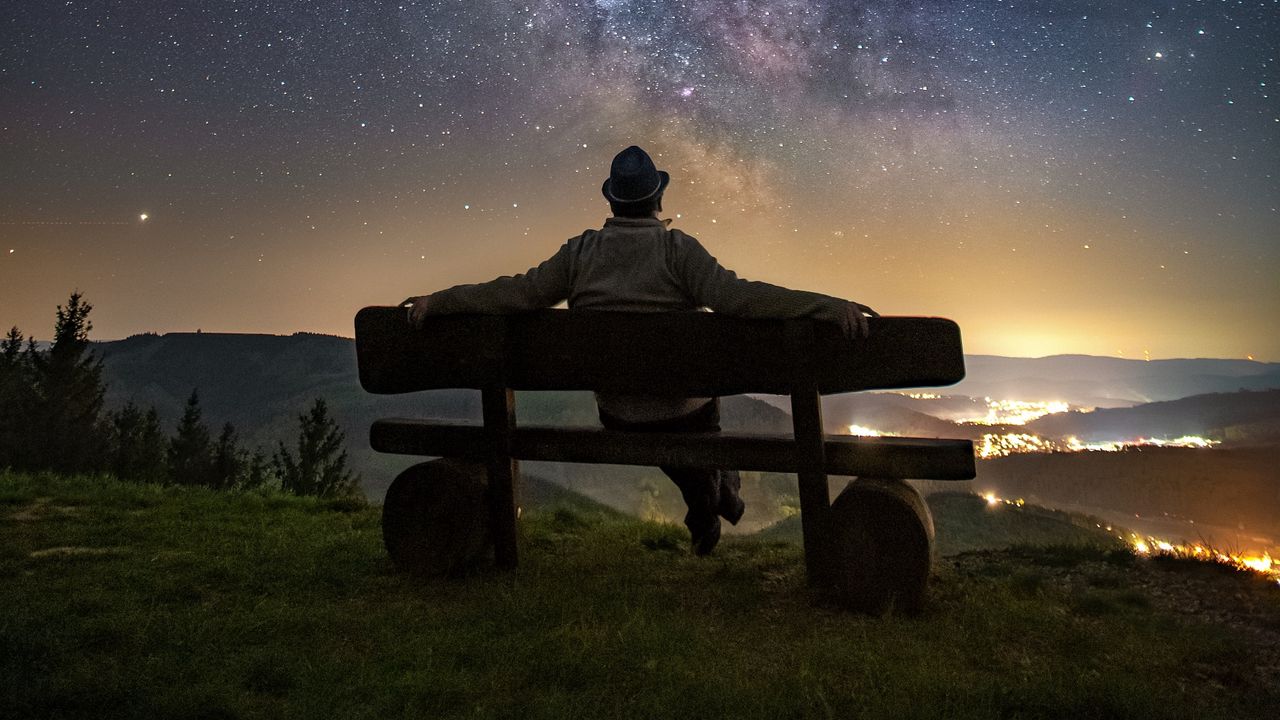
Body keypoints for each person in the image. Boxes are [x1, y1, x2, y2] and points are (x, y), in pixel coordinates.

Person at [405, 145, 876, 555]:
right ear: (658, 199)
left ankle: (713, 501)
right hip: (684, 414)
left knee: (665, 418)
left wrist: (439, 301)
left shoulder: (579, 254)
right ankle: (716, 495)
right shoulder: (677, 251)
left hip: (617, 411)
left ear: (610, 200)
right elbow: (742, 298)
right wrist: (824, 306)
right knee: (698, 416)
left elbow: (514, 293)